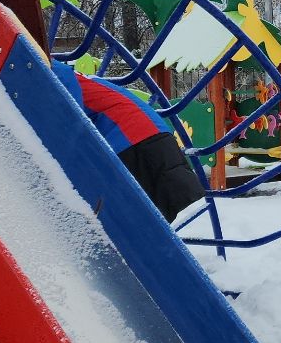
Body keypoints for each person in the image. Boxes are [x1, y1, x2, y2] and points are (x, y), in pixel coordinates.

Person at [52, 62, 204, 223]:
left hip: (131, 137)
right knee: (153, 222)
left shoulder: (49, 68)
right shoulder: (81, 80)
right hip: (148, 134)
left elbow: (68, 117)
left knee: (140, 224)